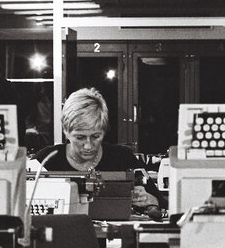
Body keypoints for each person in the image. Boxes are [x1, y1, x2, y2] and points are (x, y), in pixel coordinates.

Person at [33, 87, 165, 213]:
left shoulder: (122, 158)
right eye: (80, 137)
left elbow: (162, 203)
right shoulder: (45, 160)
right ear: (66, 131)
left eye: (96, 136)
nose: (88, 146)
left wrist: (149, 200)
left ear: (104, 130)